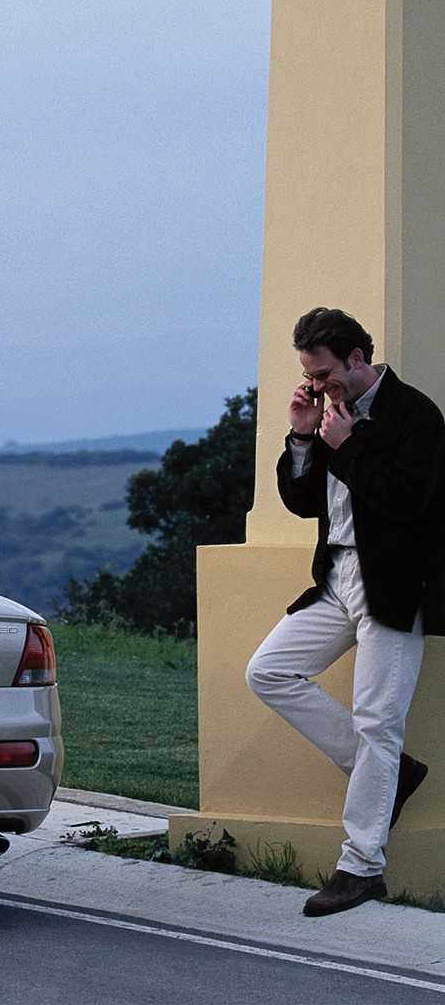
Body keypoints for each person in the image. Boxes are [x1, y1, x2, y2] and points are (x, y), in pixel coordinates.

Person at [245, 306, 445, 917]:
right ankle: (389, 774)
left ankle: (361, 868)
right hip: (335, 580)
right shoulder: (327, 413)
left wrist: (348, 444)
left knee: (377, 721)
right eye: (311, 375)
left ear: (358, 361)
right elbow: (305, 503)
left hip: (395, 585)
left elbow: (409, 502)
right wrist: (304, 435)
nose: (319, 386)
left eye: (327, 375)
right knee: (268, 671)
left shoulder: (415, 415)